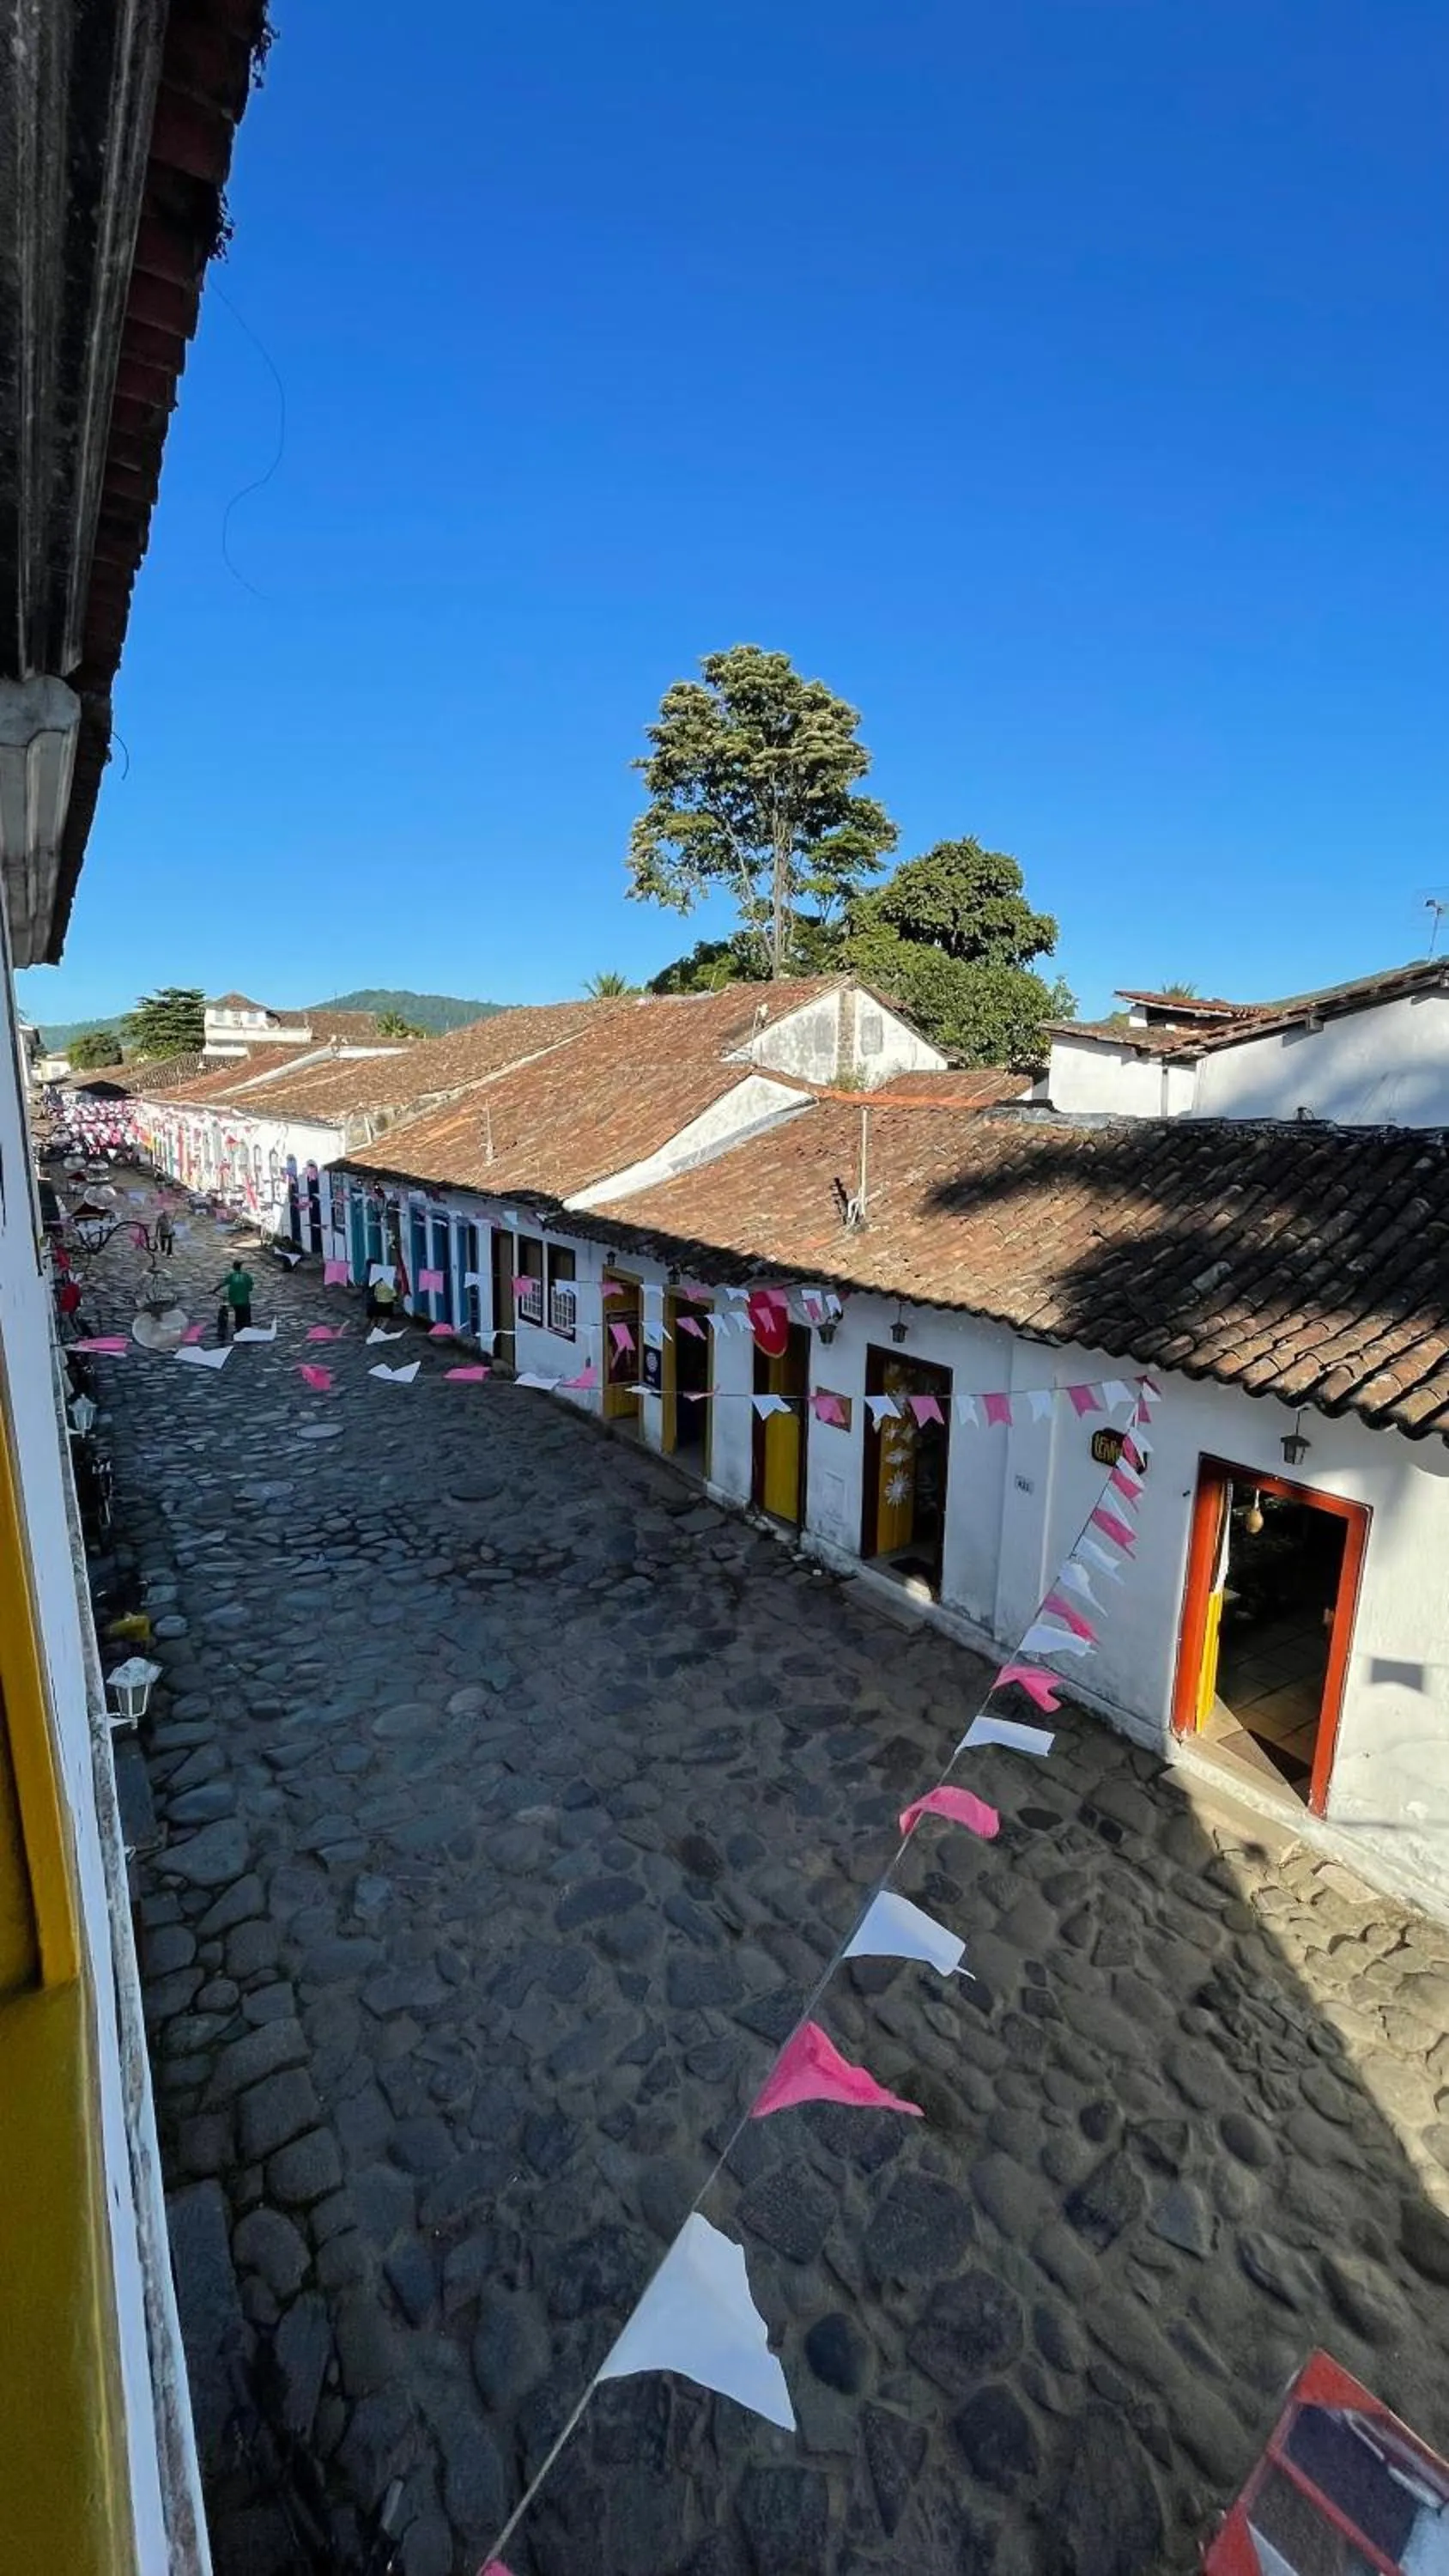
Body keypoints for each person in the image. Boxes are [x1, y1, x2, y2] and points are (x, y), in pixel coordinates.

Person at [215, 1261, 255, 1341]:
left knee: (238, 1319)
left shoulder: (231, 1276)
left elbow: (222, 1284)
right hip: (245, 1301)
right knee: (247, 1320)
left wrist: (213, 1291)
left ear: (233, 1267)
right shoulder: (247, 1276)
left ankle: (238, 1333)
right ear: (241, 1267)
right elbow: (250, 1288)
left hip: (234, 1301)